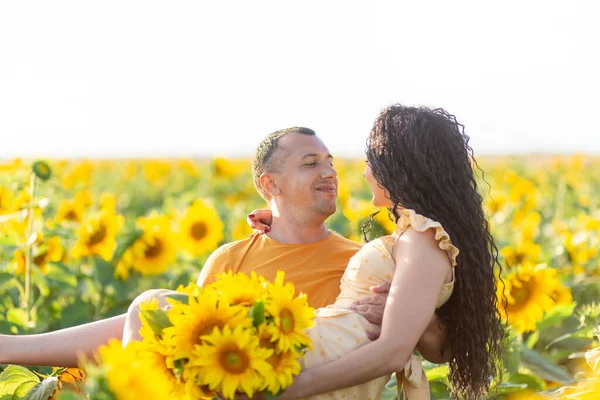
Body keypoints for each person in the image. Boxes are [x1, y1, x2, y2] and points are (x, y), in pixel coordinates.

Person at [0, 126, 448, 372]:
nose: (329, 172)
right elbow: (186, 346)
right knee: (153, 314)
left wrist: (417, 314)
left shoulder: (362, 260)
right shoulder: (231, 260)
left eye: (330, 162)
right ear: (268, 185)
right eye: (311, 163)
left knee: (150, 307)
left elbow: (434, 346)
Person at [227, 105, 506, 400]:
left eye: (372, 161)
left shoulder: (420, 238)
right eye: (310, 163)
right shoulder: (415, 238)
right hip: (322, 351)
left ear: (400, 167)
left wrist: (285, 391)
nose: (363, 172)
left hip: (320, 360)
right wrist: (279, 219)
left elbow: (399, 351)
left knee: (177, 314)